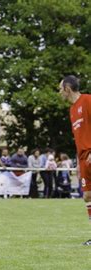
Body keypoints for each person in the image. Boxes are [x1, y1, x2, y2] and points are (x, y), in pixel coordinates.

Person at [59, 75, 91, 245]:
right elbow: (79, 138)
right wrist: (79, 163)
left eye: (60, 89)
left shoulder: (88, 100)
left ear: (67, 89)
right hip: (84, 158)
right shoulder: (72, 110)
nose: (59, 93)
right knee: (87, 196)